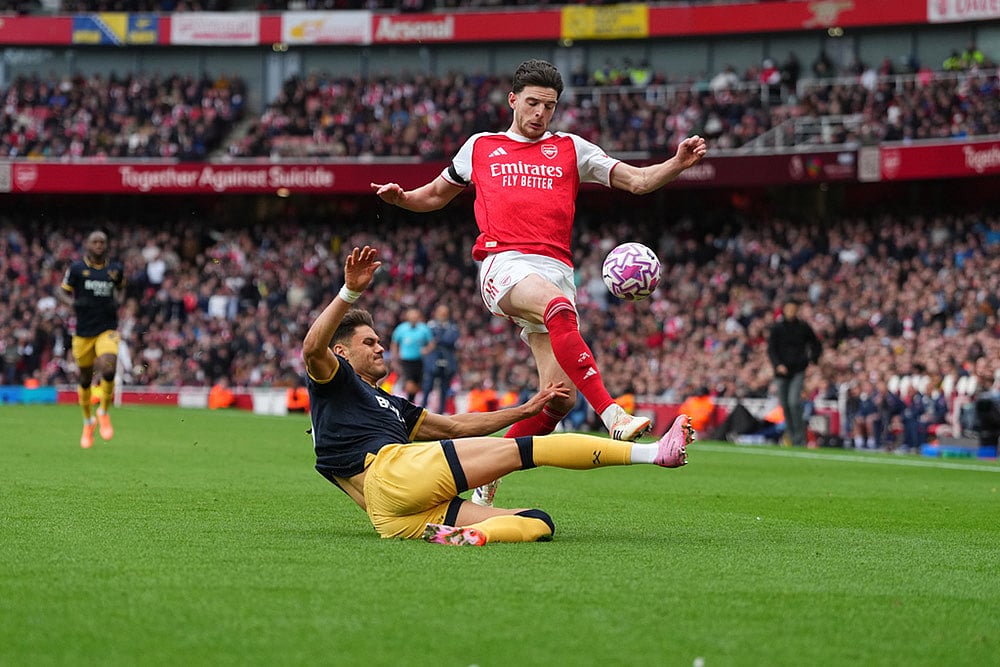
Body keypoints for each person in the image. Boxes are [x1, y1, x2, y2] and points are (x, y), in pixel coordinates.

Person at [371, 57, 707, 455]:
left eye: (549, 106)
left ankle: (488, 475)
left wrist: (677, 163)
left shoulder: (570, 147)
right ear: (513, 100)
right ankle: (613, 414)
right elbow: (434, 195)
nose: (540, 113)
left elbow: (637, 181)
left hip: (556, 270)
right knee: (556, 305)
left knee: (559, 398)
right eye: (532, 103)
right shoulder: (481, 146)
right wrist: (403, 199)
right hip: (505, 262)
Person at [303, 245, 694, 546]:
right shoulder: (336, 381)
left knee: (538, 522)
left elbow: (456, 425)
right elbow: (311, 350)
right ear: (342, 353)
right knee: (525, 451)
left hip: (392, 515)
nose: (380, 348)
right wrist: (349, 293)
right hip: (391, 473)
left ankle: (476, 536)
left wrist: (526, 408)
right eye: (369, 342)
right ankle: (654, 452)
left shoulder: (389, 403)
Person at [58, 229, 125, 448]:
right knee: (85, 378)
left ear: (107, 245)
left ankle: (104, 411)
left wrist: (118, 300)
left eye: (102, 242)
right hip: (83, 332)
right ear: (87, 244)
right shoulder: (77, 269)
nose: (98, 245)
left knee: (108, 367)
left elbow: (122, 290)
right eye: (94, 241)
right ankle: (88, 421)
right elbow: (61, 292)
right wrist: (72, 304)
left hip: (107, 329)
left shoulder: (115, 269)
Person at [767, 298, 821, 447]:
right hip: (781, 373)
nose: (791, 312)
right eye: (788, 309)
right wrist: (777, 365)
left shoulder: (803, 327)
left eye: (793, 309)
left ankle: (800, 439)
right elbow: (771, 349)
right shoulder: (777, 328)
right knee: (785, 405)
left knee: (794, 402)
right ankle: (791, 437)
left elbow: (815, 343)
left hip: (798, 369)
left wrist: (813, 360)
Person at [421, 303, 460, 414]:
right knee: (427, 386)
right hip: (432, 360)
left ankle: (442, 412)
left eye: (445, 313)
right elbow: (429, 339)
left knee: (444, 388)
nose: (443, 314)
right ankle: (422, 410)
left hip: (447, 360)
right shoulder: (430, 326)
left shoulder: (452, 327)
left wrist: (437, 340)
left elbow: (450, 340)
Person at [390, 307, 433, 402]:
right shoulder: (401, 329)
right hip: (406, 360)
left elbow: (431, 343)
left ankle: (410, 402)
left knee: (417, 384)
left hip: (419, 360)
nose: (413, 318)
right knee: (409, 384)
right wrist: (395, 356)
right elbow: (394, 343)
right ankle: (407, 402)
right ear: (407, 317)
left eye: (415, 316)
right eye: (411, 316)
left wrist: (427, 350)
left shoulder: (424, 329)